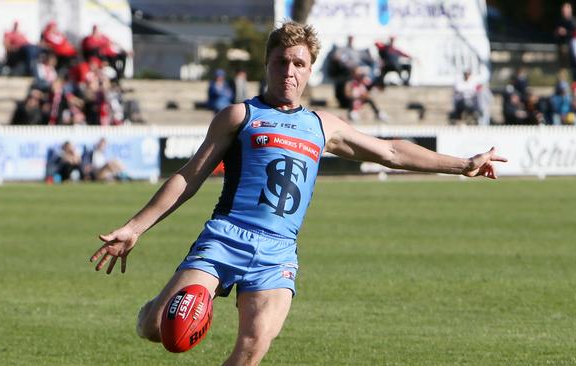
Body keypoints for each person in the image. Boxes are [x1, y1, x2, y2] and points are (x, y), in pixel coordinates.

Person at [89, 21, 506, 366]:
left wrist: (462, 165)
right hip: (225, 238)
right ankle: (154, 307)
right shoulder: (240, 115)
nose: (289, 70)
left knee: (251, 351)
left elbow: (392, 151)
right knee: (160, 328)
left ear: (310, 71)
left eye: (299, 64)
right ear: (267, 65)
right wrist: (135, 228)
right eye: (281, 61)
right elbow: (190, 176)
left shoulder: (324, 126)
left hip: (278, 254)